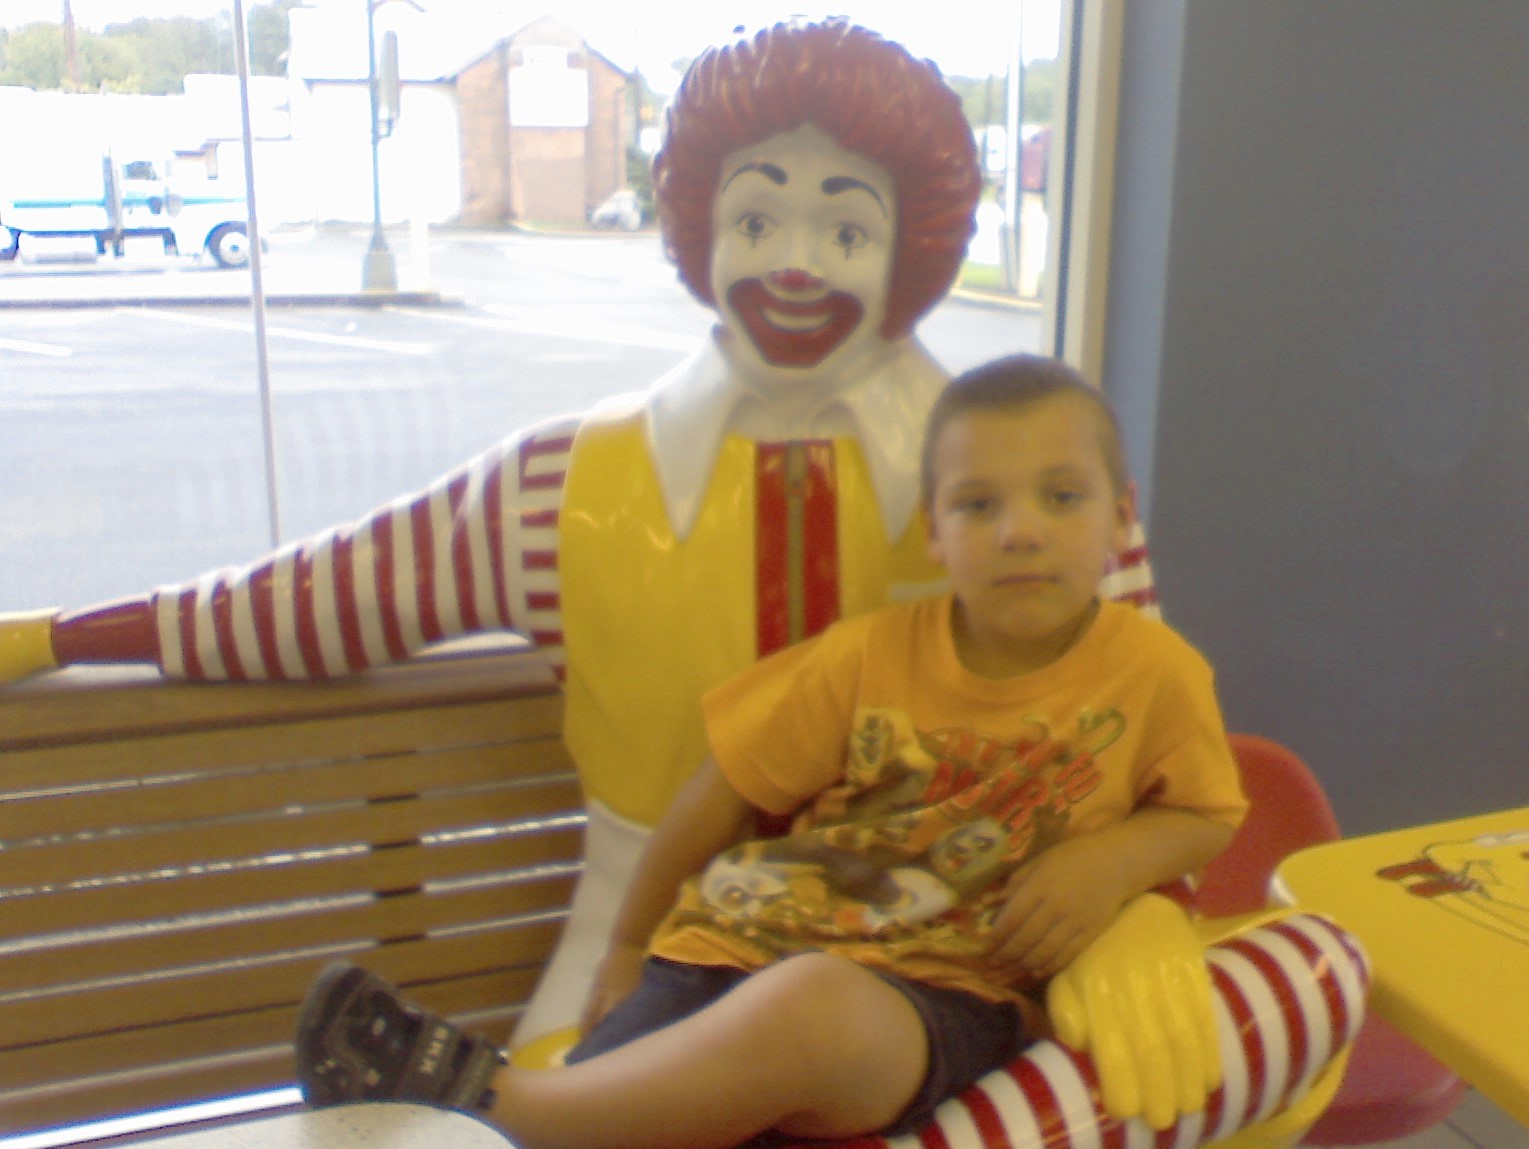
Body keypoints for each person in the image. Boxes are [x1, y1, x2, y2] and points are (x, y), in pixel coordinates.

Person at [0, 18, 1154, 1044]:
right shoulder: (562, 488)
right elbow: (322, 598)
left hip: (938, 972)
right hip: (642, 961)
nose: (795, 263)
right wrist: (65, 635)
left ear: (913, 245)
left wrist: (1132, 906)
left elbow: (1140, 740)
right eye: (756, 218)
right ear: (698, 227)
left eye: (845, 229)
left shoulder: (1036, 496)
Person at [292, 355, 1247, 1149]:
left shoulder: (1154, 672)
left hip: (938, 995)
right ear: (934, 531)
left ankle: (496, 1107)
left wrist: (1110, 860)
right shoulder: (867, 656)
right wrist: (625, 944)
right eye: (977, 504)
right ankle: (492, 1115)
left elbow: (1206, 810)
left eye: (1061, 496)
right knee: (617, 1099)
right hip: (726, 946)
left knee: (810, 1010)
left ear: (1119, 516)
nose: (1021, 530)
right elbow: (719, 791)